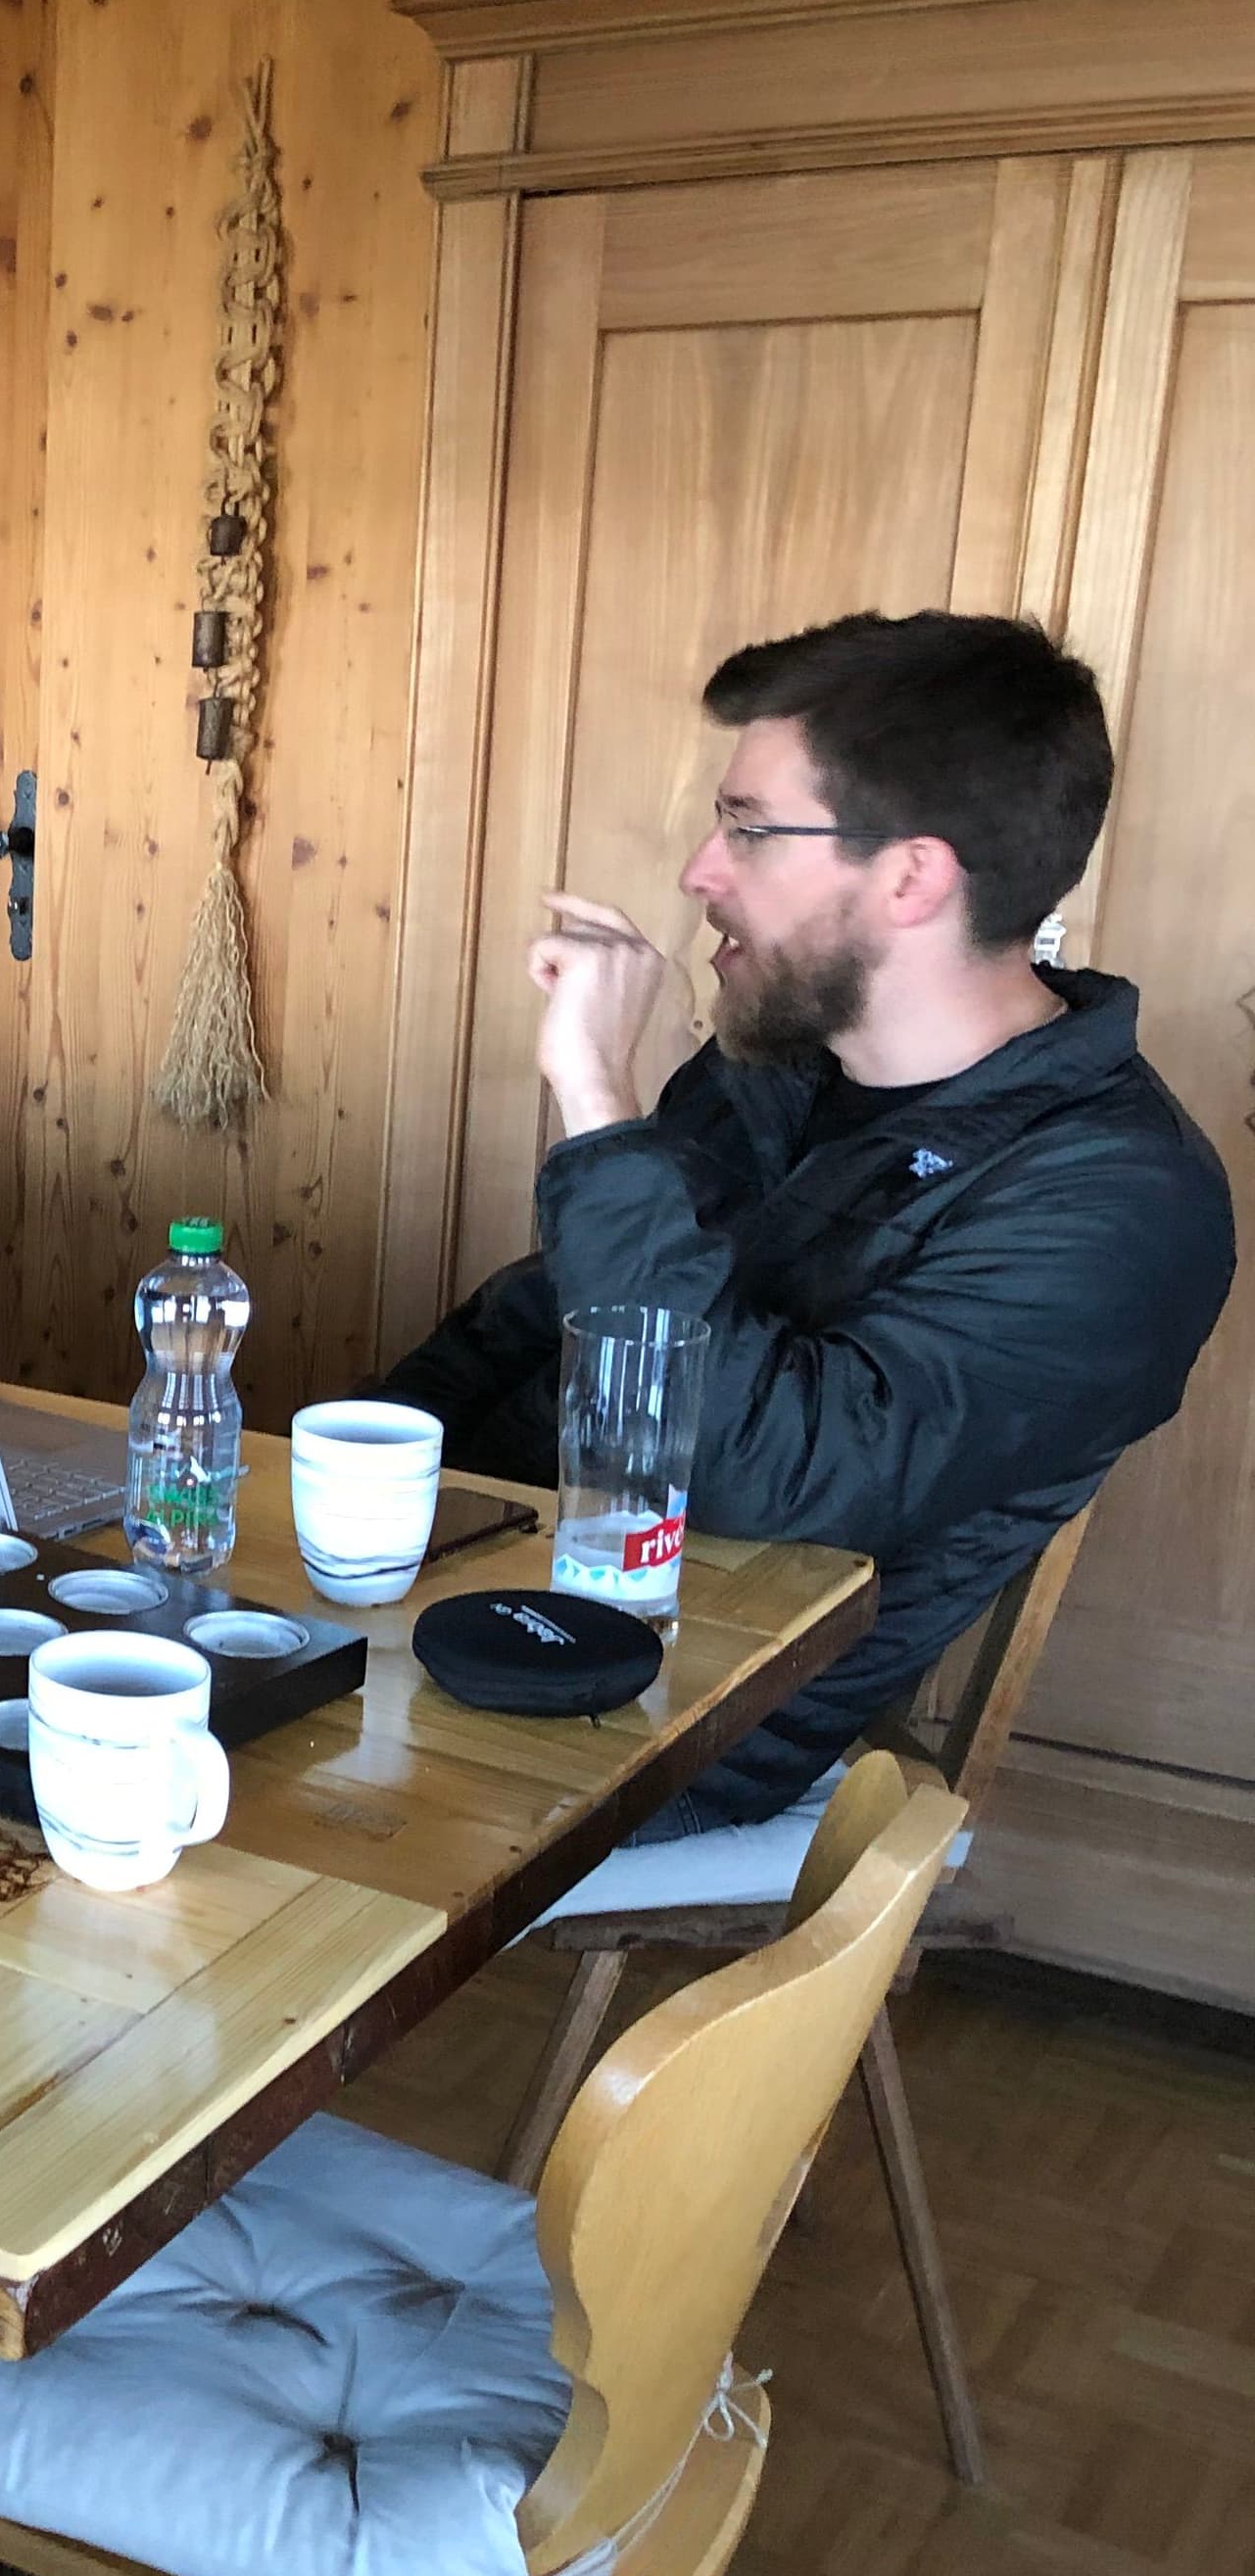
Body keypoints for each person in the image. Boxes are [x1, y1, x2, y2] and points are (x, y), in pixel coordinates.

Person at [383, 611, 1232, 1837]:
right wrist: (339, 1488)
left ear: (911, 878)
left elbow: (759, 1479)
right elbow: (535, 1314)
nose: (700, 872)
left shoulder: (1119, 1202)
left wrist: (601, 1105)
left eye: (749, 829)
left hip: (660, 1715)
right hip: (479, 1591)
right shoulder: (772, 1067)